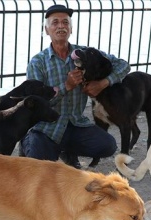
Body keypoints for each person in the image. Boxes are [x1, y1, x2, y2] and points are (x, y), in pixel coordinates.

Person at [20, 4, 130, 168]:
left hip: (76, 124)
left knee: (108, 145)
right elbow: (36, 104)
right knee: (39, 162)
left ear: (71, 29)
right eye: (55, 23)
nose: (61, 26)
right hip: (47, 128)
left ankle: (67, 151)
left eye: (65, 22)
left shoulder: (84, 53)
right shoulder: (38, 62)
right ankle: (27, 142)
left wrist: (102, 83)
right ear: (46, 29)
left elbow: (123, 65)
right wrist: (67, 86)